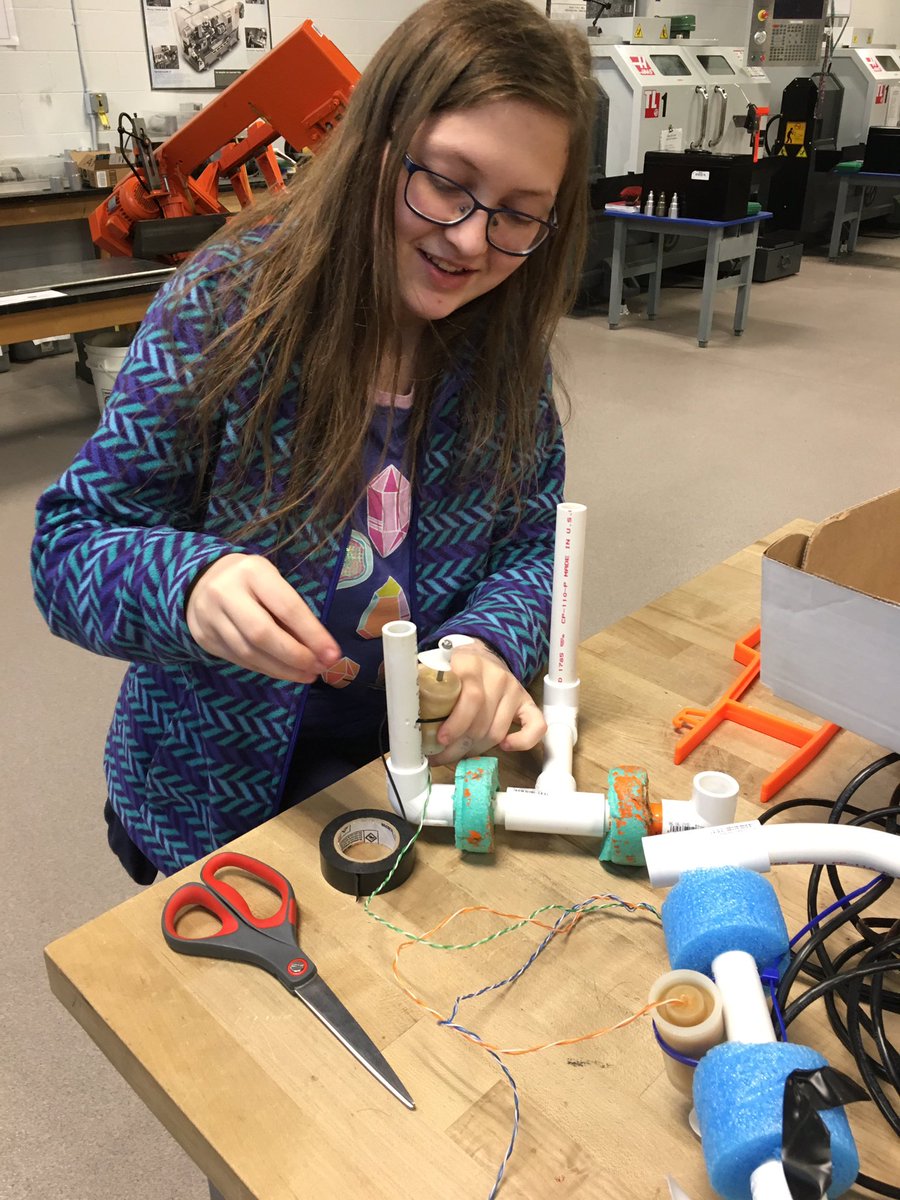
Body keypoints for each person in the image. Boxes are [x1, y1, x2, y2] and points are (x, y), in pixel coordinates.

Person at [31, 0, 595, 883]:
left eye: (521, 213)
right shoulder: (223, 310)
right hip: (210, 803)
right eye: (448, 182)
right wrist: (191, 583)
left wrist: (489, 644)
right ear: (378, 144)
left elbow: (534, 550)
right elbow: (69, 546)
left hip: (406, 782)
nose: (472, 239)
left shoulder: (504, 359)